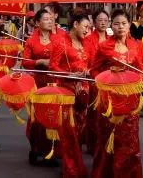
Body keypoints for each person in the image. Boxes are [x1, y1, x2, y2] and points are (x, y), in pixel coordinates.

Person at [90, 9, 143, 178]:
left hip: (130, 99)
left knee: (129, 139)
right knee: (107, 138)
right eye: (116, 24)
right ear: (111, 26)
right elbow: (94, 70)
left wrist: (139, 84)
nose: (120, 27)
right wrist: (104, 83)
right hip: (109, 100)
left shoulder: (137, 46)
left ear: (129, 25)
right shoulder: (104, 47)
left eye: (123, 23)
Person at [49, 13, 92, 178]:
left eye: (89, 28)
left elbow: (91, 63)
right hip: (66, 91)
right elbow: (53, 66)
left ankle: (75, 162)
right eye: (85, 26)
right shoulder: (61, 42)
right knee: (69, 132)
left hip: (84, 92)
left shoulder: (86, 43)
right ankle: (71, 169)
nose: (88, 31)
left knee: (80, 131)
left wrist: (88, 72)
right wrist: (69, 74)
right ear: (75, 24)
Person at [22, 8, 58, 165]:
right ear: (37, 22)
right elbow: (24, 62)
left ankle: (50, 151)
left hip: (54, 83)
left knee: (52, 117)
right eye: (46, 19)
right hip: (36, 83)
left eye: (51, 19)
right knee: (36, 118)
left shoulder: (58, 39)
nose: (50, 21)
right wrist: (39, 62)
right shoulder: (31, 41)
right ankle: (35, 148)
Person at [84, 9, 111, 154]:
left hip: (110, 80)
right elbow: (86, 59)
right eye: (100, 20)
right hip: (94, 80)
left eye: (106, 20)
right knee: (94, 113)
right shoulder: (88, 40)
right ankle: (93, 144)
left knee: (108, 112)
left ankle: (107, 142)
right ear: (94, 22)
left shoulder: (111, 39)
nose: (103, 23)